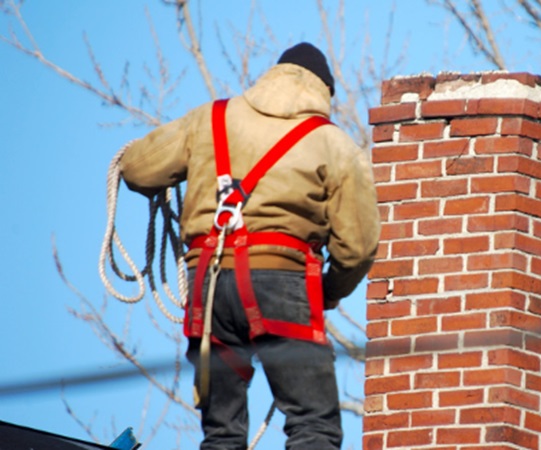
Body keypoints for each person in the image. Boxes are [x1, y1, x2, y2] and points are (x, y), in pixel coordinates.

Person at [119, 42, 380, 449]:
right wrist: (328, 293)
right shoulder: (335, 145)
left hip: (208, 285)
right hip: (282, 281)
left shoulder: (210, 118)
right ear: (324, 93)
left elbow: (136, 168)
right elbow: (358, 249)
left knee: (222, 432)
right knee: (314, 423)